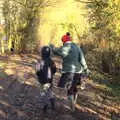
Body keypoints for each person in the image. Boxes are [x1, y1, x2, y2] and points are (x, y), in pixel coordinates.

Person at [50, 32, 89, 111]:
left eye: (63, 42)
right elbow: (82, 59)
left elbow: (59, 52)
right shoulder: (77, 47)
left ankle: (72, 105)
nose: (63, 43)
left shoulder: (66, 46)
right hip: (78, 72)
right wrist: (86, 68)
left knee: (68, 89)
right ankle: (74, 101)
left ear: (64, 41)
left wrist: (52, 47)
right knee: (74, 87)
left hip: (68, 72)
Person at [35, 46, 56, 113]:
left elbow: (37, 72)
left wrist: (39, 75)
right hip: (50, 81)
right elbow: (54, 70)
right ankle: (52, 103)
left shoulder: (39, 61)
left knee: (43, 93)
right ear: (49, 53)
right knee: (50, 91)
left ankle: (45, 106)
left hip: (42, 81)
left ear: (42, 53)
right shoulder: (52, 62)